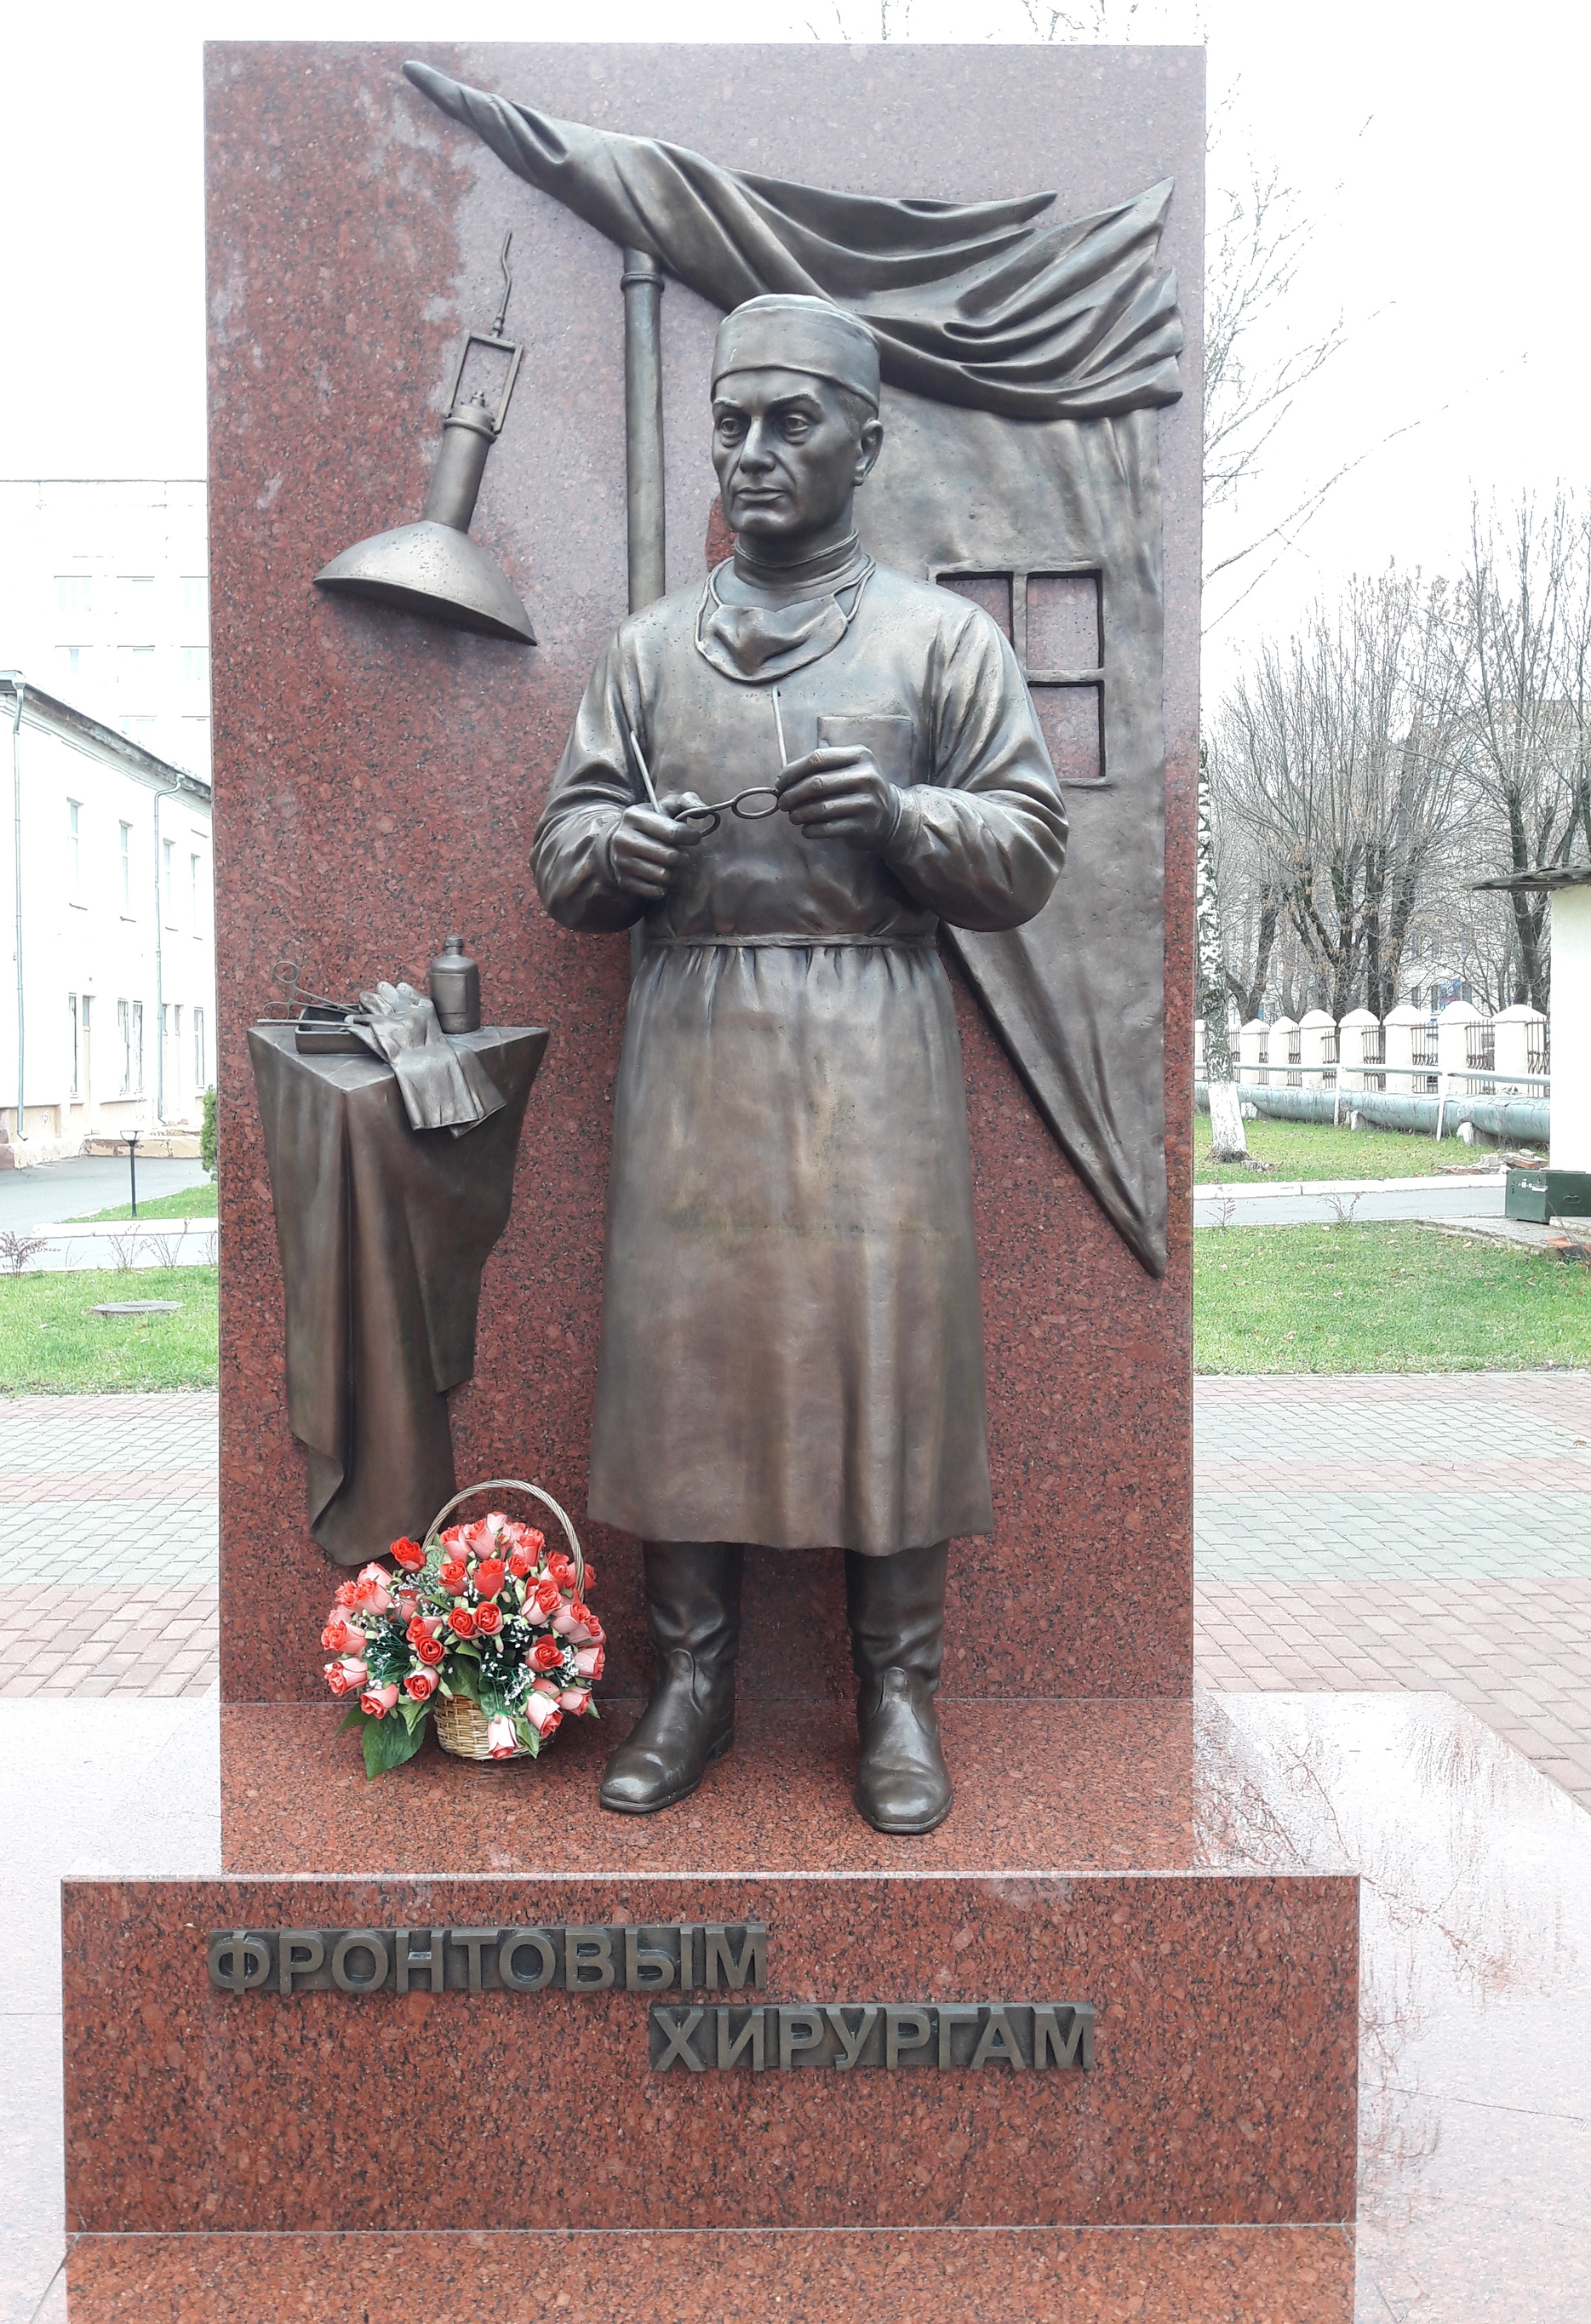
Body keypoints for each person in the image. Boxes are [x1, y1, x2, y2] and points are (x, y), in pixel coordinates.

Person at [531, 294, 1067, 1833]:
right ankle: (688, 1683)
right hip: (696, 1045)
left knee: (884, 1361)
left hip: (875, 1046)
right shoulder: (644, 655)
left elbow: (1027, 844)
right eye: (730, 423)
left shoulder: (941, 642)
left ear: (866, 442)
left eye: (790, 423)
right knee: (685, 1358)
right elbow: (561, 855)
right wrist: (617, 847)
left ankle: (899, 1696)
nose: (750, 452)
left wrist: (902, 819)